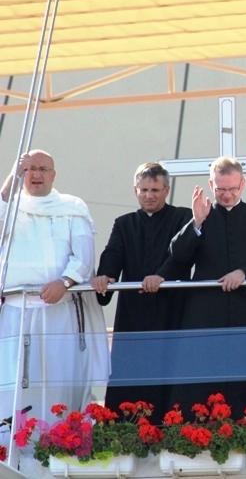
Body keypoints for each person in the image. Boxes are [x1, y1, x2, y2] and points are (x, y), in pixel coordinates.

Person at [0, 150, 109, 425]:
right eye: (30, 169)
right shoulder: (9, 208)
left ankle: (61, 444)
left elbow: (84, 258)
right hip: (17, 311)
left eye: (42, 169)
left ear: (53, 174)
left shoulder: (72, 207)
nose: (36, 174)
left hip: (58, 310)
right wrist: (12, 176)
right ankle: (13, 450)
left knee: (59, 382)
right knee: (15, 385)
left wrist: (65, 282)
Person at [167, 157, 246, 417]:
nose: (227, 195)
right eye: (220, 189)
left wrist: (244, 272)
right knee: (202, 376)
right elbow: (178, 255)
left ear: (243, 184)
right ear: (211, 184)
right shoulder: (200, 216)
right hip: (205, 314)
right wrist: (196, 222)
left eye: (232, 189)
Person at [92, 162, 192, 420]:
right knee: (131, 373)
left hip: (171, 310)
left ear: (166, 189)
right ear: (135, 190)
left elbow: (182, 255)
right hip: (133, 312)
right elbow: (113, 254)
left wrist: (162, 276)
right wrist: (104, 276)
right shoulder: (124, 223)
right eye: (144, 189)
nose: (149, 195)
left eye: (155, 189)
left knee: (169, 372)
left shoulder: (183, 216)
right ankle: (125, 433)